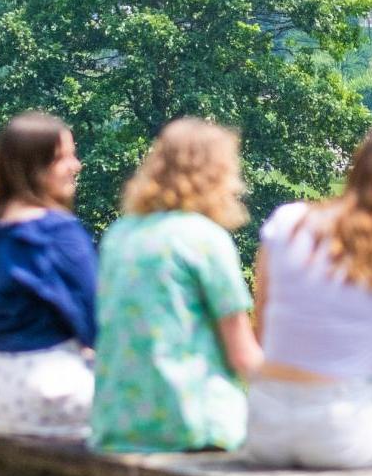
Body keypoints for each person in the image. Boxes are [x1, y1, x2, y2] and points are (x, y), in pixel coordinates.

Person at [245, 127, 372, 473]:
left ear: (356, 169)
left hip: (265, 425)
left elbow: (261, 327)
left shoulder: (288, 221)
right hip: (342, 428)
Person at [90, 119, 263, 453]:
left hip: (116, 426)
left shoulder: (119, 236)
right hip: (190, 424)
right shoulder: (205, 239)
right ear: (216, 174)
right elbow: (242, 353)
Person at [0, 112, 98, 438]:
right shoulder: (58, 231)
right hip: (42, 395)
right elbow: (97, 320)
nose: (75, 165)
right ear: (35, 166)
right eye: (64, 157)